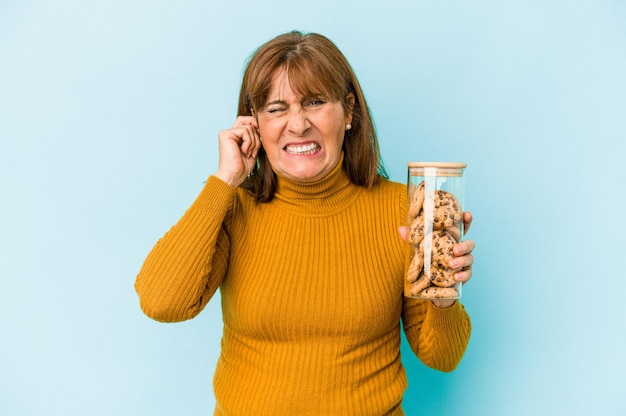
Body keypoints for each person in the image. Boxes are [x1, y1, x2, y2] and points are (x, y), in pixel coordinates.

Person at [135, 30, 475, 416]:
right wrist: (225, 179)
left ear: (348, 111)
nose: (297, 125)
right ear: (254, 124)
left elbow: (442, 357)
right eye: (276, 108)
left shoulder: (405, 207)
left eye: (314, 102)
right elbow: (162, 302)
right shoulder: (233, 208)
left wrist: (444, 294)